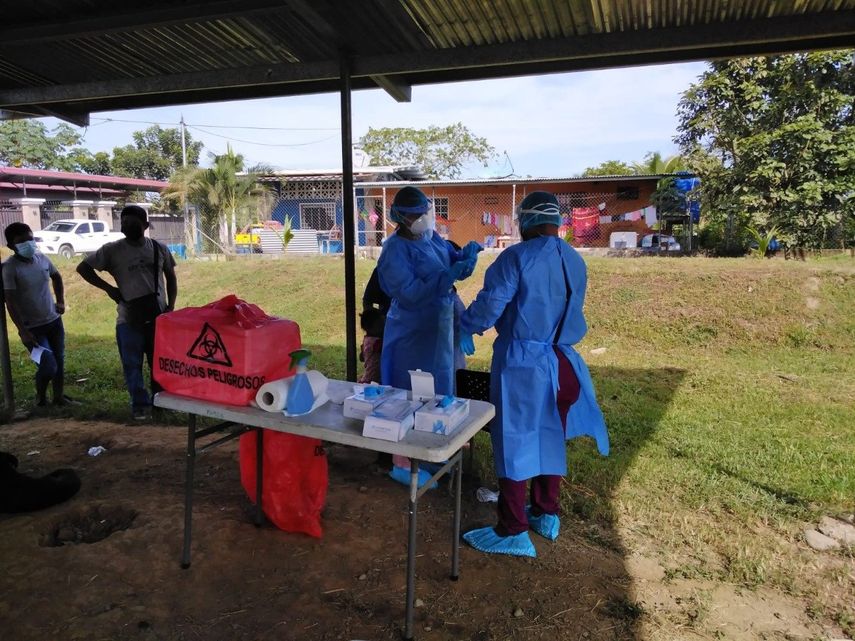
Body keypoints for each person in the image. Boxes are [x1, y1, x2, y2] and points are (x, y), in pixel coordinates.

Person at [458, 191, 609, 558]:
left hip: (524, 365)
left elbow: (490, 306)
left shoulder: (516, 257)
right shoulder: (575, 259)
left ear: (524, 221)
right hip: (564, 363)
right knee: (549, 438)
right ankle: (545, 512)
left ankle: (512, 529)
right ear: (558, 222)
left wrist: (466, 325)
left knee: (515, 441)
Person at [377, 187, 481, 488]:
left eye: (424, 211)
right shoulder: (394, 250)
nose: (422, 218)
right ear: (399, 216)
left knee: (444, 387)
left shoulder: (431, 237)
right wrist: (448, 276)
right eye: (414, 214)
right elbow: (409, 294)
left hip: (442, 322)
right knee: (411, 391)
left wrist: (465, 257)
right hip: (413, 330)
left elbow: (450, 261)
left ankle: (439, 452)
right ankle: (404, 463)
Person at [76, 205, 177, 420]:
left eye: (133, 224)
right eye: (124, 223)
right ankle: (140, 405)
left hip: (158, 316)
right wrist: (109, 289)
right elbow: (83, 268)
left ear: (145, 226)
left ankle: (161, 402)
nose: (127, 227)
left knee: (158, 363)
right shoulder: (112, 250)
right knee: (132, 364)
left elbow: (171, 277)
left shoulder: (159, 248)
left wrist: (171, 306)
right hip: (128, 317)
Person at [2, 222, 71, 406]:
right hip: (32, 329)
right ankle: (40, 399)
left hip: (54, 322)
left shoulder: (42, 258)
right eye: (22, 241)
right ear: (11, 246)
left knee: (59, 360)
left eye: (30, 239)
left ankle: (59, 397)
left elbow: (56, 277)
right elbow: (10, 300)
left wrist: (61, 300)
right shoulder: (10, 268)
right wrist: (22, 331)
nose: (28, 244)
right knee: (48, 365)